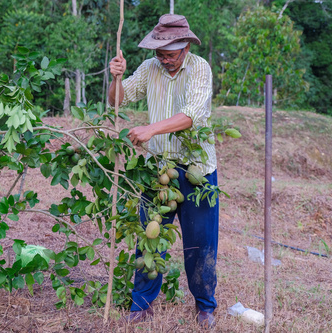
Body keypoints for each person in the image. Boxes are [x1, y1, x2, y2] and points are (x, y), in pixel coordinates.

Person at [108, 14, 218, 329]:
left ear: (185, 48)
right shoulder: (149, 68)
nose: (165, 59)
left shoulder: (199, 68)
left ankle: (205, 306)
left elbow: (191, 115)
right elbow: (118, 99)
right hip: (159, 171)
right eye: (160, 53)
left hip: (197, 170)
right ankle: (141, 305)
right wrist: (116, 78)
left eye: (170, 54)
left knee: (201, 245)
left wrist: (151, 129)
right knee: (149, 240)